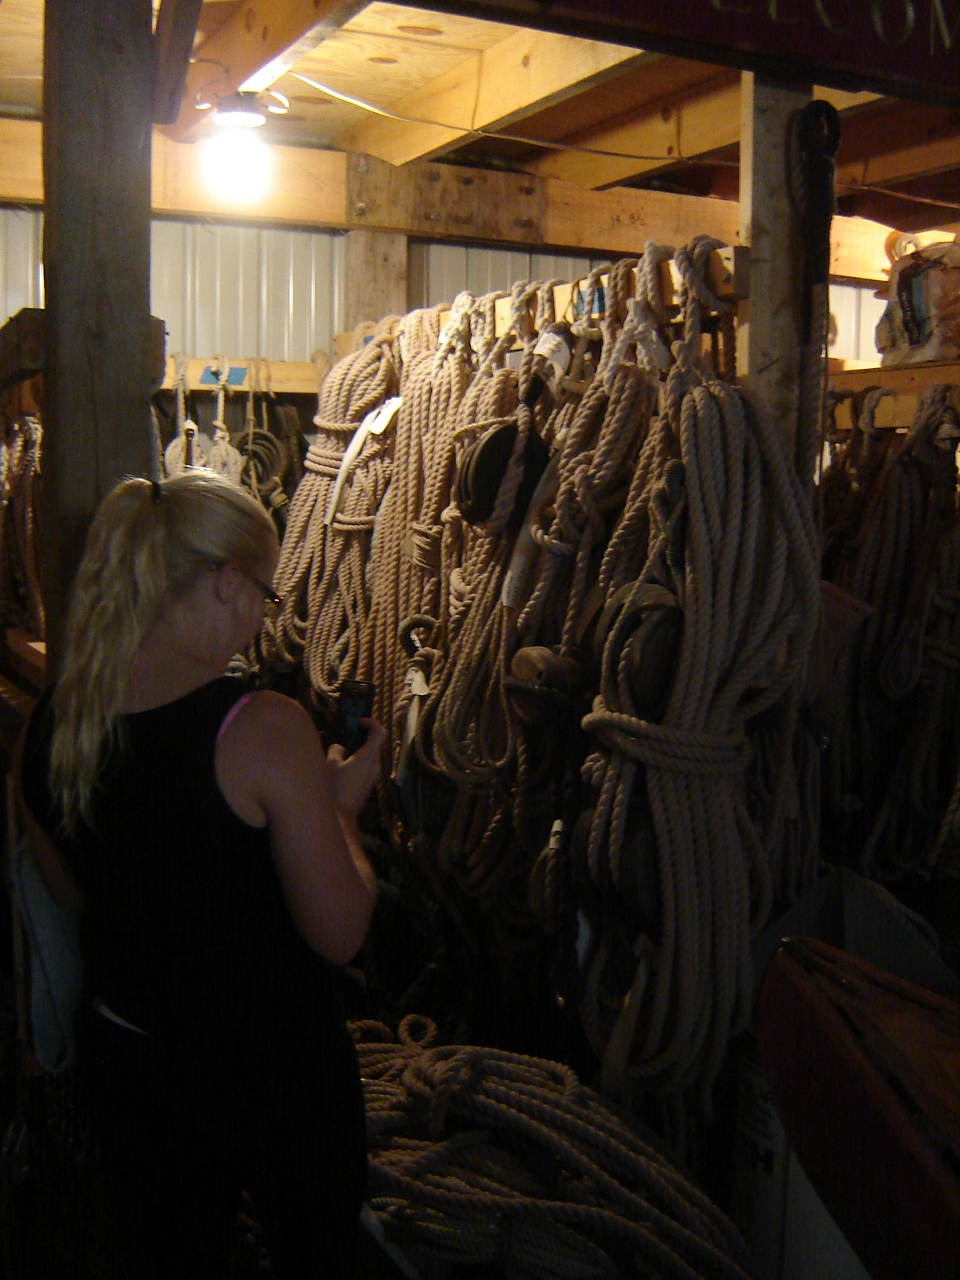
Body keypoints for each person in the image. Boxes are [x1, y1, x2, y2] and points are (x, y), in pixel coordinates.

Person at [19, 469, 385, 1278]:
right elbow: (339, 932)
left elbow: (76, 893)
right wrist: (341, 815)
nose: (262, 617)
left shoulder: (58, 720)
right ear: (227, 581)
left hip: (135, 1072)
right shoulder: (260, 727)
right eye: (265, 593)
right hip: (271, 1083)